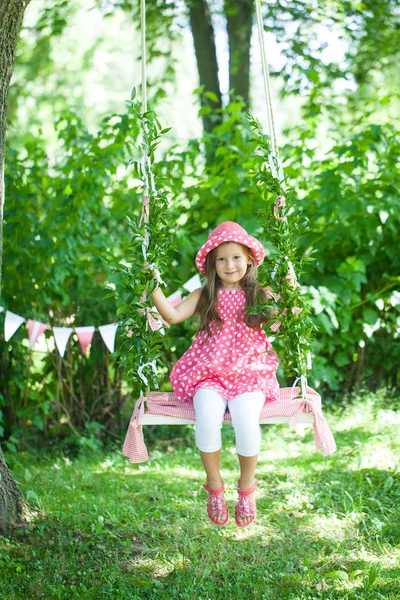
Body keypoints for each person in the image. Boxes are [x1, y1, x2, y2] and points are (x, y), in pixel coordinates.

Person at [151, 221, 283, 528]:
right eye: (221, 259)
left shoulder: (260, 293)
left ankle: (247, 488)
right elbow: (171, 316)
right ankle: (215, 486)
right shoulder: (204, 294)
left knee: (245, 419)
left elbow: (284, 317)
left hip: (249, 372)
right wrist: (151, 287)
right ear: (212, 264)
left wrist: (289, 288)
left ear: (249, 259)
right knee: (207, 417)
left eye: (236, 257)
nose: (229, 264)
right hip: (208, 372)